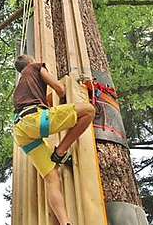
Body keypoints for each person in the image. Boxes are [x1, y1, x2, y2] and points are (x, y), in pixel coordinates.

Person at [13, 54, 95, 225]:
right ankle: (60, 151)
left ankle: (65, 222)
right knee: (88, 110)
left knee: (51, 177)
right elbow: (59, 88)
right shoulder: (35, 67)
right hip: (34, 120)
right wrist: (63, 97)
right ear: (30, 62)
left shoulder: (20, 86)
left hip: (20, 131)